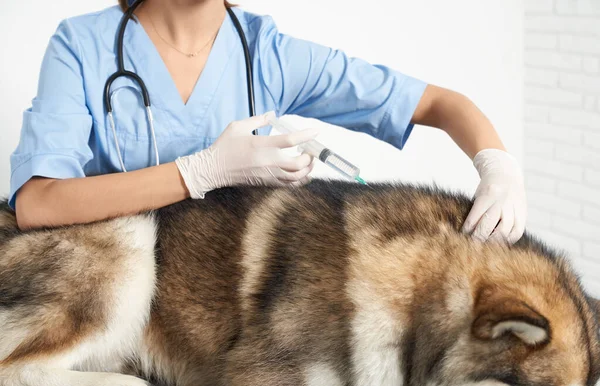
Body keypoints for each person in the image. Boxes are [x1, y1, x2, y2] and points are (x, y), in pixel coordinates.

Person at [9, 0, 526, 244]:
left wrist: (497, 166)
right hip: (102, 282)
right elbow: (37, 204)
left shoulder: (267, 54)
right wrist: (200, 172)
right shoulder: (82, 46)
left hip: (216, 309)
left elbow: (440, 103)